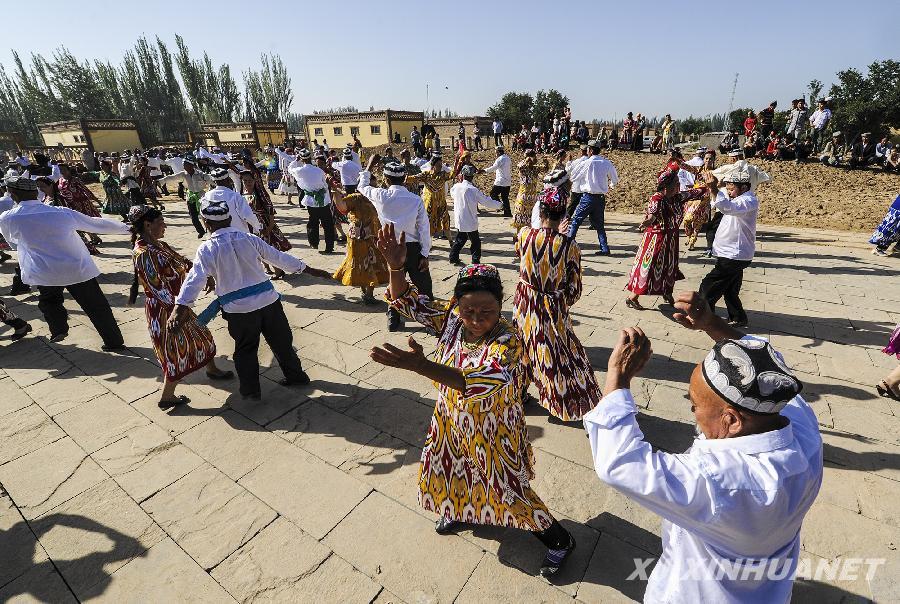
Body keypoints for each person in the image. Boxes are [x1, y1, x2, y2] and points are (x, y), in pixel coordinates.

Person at [585, 291, 822, 603]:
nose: (693, 413)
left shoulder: (717, 482)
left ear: (732, 420)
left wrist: (617, 380)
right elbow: (767, 363)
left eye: (694, 406)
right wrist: (713, 325)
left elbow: (620, 465)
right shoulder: (801, 431)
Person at [371, 226, 576, 578]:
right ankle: (460, 509)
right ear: (457, 307)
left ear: (501, 307)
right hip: (451, 421)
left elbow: (480, 380)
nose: (477, 319)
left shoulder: (509, 340)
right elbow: (408, 301)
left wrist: (423, 366)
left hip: (492, 429)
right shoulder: (451, 321)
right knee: (451, 472)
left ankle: (558, 539)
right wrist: (395, 267)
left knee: (507, 486)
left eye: (487, 311)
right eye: (469, 311)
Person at [169, 197, 332, 400]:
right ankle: (296, 376)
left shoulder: (207, 249)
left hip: (239, 311)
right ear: (229, 220)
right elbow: (279, 258)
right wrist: (309, 269)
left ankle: (251, 390)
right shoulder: (249, 238)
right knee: (282, 343)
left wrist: (180, 306)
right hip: (269, 302)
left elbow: (195, 279)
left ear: (206, 223)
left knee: (245, 350)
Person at [0, 176, 129, 347]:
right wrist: (129, 229)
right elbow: (95, 224)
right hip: (77, 268)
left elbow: (13, 243)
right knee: (97, 307)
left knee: (49, 302)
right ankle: (114, 342)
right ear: (35, 192)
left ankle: (59, 329)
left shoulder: (8, 218)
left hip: (45, 271)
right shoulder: (60, 212)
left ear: (12, 194)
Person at [127, 205, 234, 409]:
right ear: (147, 225)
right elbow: (156, 288)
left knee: (202, 336)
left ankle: (211, 369)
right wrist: (179, 310)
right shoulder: (143, 253)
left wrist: (205, 276)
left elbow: (184, 262)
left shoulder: (160, 245)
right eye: (160, 222)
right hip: (165, 311)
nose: (164, 226)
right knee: (175, 351)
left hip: (176, 306)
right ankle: (167, 396)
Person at [515, 171, 600, 421]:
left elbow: (522, 257)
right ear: (563, 215)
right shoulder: (569, 246)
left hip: (524, 304)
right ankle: (560, 400)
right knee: (556, 353)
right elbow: (575, 290)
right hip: (552, 308)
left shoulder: (523, 235)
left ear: (540, 213)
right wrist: (558, 298)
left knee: (522, 349)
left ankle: (518, 393)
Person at [359, 157, 432, 331]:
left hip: (390, 248)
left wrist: (368, 167)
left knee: (394, 282)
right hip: (413, 248)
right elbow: (424, 229)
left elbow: (362, 187)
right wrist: (425, 254)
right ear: (405, 179)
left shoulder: (380, 195)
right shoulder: (415, 200)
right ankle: (430, 318)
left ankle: (393, 318)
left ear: (386, 179)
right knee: (424, 285)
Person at [625, 164, 709, 310]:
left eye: (678, 183)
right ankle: (632, 297)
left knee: (670, 267)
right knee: (650, 268)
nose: (679, 185)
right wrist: (647, 222)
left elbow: (695, 193)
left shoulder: (677, 197)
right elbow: (652, 215)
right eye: (676, 183)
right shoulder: (657, 198)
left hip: (671, 239)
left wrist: (709, 185)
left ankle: (667, 293)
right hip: (655, 239)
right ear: (666, 186)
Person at [699, 162, 764, 327]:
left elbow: (727, 207)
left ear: (744, 187)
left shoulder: (748, 201)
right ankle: (738, 317)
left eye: (731, 188)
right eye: (727, 189)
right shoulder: (738, 198)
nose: (728, 192)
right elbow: (721, 203)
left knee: (708, 287)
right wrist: (716, 187)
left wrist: (714, 188)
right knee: (730, 289)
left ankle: (705, 318)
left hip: (734, 255)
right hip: (733, 254)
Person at [331, 189, 388, 305]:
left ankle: (369, 294)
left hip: (374, 237)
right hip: (358, 239)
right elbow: (342, 207)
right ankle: (365, 292)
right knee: (360, 265)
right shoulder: (355, 198)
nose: (372, 186)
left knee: (374, 264)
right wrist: (334, 192)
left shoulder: (377, 196)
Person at [567, 139, 619, 255]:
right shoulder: (606, 162)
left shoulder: (587, 163)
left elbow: (573, 176)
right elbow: (615, 179)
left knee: (576, 221)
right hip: (600, 197)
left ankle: (569, 245)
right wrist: (610, 185)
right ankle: (604, 248)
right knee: (599, 225)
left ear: (589, 150)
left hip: (588, 197)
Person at [240, 170, 291, 277]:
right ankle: (267, 268)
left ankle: (278, 271)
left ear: (254, 181)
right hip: (250, 227)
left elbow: (271, 211)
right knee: (257, 249)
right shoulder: (240, 195)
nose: (247, 183)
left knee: (268, 249)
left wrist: (270, 227)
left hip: (264, 225)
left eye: (250, 180)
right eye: (245, 181)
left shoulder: (261, 194)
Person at [448, 165, 502, 265]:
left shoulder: (456, 187)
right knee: (475, 242)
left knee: (461, 238)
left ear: (463, 175)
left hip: (460, 218)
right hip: (470, 220)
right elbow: (486, 201)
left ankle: (453, 257)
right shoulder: (473, 190)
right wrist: (499, 205)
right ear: (472, 177)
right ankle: (475, 260)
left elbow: (451, 193)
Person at [289, 148, 336, 254]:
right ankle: (329, 246)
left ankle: (314, 242)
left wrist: (295, 161)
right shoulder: (319, 171)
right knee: (328, 224)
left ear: (301, 159)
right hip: (323, 200)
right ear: (310, 158)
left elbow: (290, 169)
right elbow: (324, 185)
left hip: (311, 201)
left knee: (313, 222)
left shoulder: (299, 171)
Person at [156, 158, 215, 238]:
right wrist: (159, 181)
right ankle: (201, 231)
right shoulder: (183, 174)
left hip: (202, 197)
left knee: (205, 215)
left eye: (185, 164)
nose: (183, 166)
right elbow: (171, 177)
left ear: (191, 165)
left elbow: (211, 179)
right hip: (190, 197)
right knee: (193, 217)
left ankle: (210, 231)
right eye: (183, 164)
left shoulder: (201, 174)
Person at [406, 151, 453, 240]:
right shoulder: (426, 174)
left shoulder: (443, 174)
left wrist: (459, 162)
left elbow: (452, 174)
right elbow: (414, 178)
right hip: (430, 204)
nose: (440, 167)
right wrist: (403, 178)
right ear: (433, 165)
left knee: (446, 221)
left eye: (441, 165)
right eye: (438, 165)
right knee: (428, 223)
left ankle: (451, 241)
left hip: (441, 203)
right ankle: (428, 243)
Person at [200, 168, 261, 234]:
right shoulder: (235, 196)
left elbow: (203, 215)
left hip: (218, 236)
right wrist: (258, 228)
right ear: (229, 180)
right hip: (238, 235)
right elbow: (248, 216)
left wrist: (210, 232)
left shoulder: (206, 196)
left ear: (214, 182)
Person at [682, 150, 717, 250]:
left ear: (714, 160)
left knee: (698, 222)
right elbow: (687, 168)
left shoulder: (715, 172)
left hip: (704, 200)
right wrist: (678, 161)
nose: (708, 160)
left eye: (710, 159)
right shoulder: (699, 170)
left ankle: (693, 241)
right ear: (703, 159)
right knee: (687, 220)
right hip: (693, 199)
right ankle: (689, 236)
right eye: (706, 158)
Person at [510, 149, 548, 236]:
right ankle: (518, 236)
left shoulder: (535, 169)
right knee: (521, 218)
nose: (534, 160)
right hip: (523, 197)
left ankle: (527, 236)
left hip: (532, 198)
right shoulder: (523, 169)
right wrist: (528, 158)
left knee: (531, 218)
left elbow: (545, 169)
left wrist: (545, 161)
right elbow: (519, 165)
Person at [481, 145, 512, 217]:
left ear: (498, 152)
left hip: (500, 181)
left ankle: (501, 206)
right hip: (507, 181)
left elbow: (493, 168)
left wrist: (484, 170)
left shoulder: (500, 159)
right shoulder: (507, 158)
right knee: (505, 197)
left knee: (493, 194)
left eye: (496, 152)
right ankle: (507, 212)